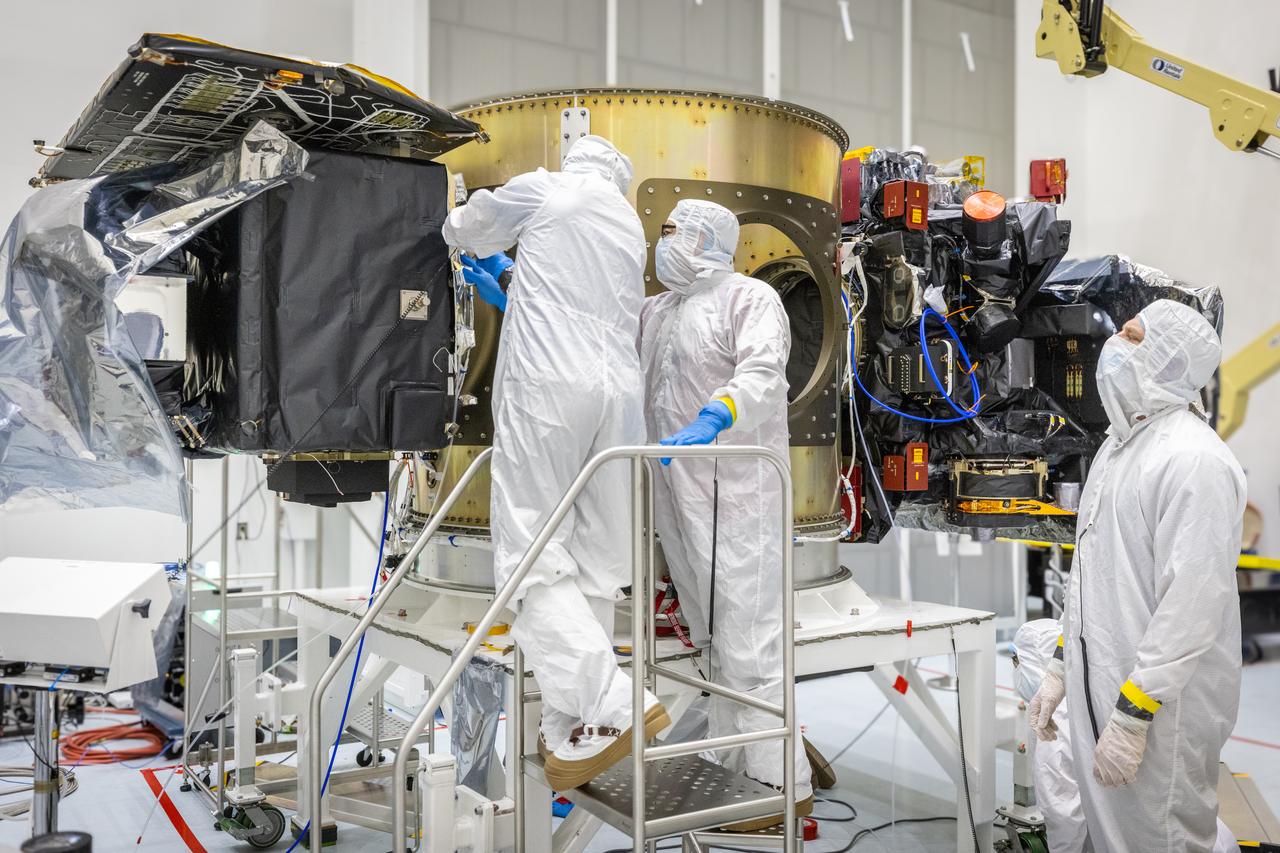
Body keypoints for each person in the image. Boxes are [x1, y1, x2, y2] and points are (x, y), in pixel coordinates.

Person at [443, 135, 669, 791]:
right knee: (597, 563)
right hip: (615, 400)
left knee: (530, 557)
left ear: (574, 160)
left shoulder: (551, 187)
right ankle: (577, 727)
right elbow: (575, 297)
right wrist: (513, 278)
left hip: (549, 389)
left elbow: (471, 224)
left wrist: (454, 225)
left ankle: (615, 704)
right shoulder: (627, 223)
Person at [1026, 299, 1246, 852]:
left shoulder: (1197, 461)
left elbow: (1191, 607)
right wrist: (1059, 667)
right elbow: (1091, 577)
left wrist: (1135, 712)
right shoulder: (1116, 451)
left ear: (1169, 361)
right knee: (1113, 835)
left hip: (1160, 714)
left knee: (1163, 836)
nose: (1112, 348)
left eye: (1131, 335)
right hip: (1101, 685)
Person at [638, 199, 813, 829]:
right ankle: (732, 775)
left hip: (739, 495)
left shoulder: (749, 299)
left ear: (708, 238)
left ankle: (777, 791)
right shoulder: (657, 311)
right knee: (711, 643)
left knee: (751, 645)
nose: (662, 244)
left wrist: (719, 414)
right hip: (674, 492)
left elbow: (766, 372)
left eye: (672, 233)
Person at [1015, 619, 1239, 853]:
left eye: (1017, 662)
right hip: (1205, 836)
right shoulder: (1102, 694)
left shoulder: (1055, 721)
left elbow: (1064, 818)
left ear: (1034, 661)